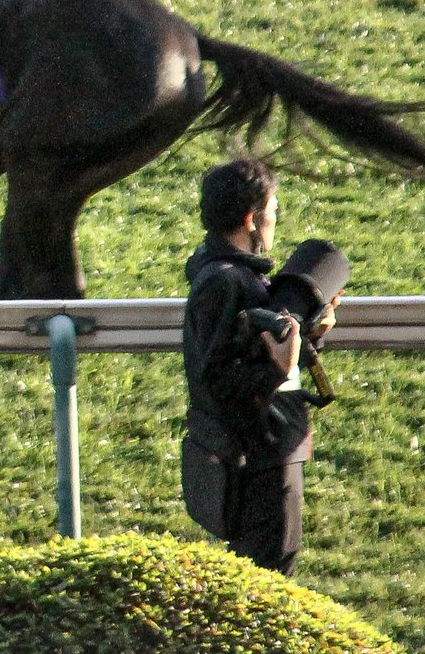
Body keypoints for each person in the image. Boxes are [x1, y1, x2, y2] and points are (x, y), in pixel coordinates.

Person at [180, 158, 341, 576]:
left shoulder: (233, 277)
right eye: (272, 211)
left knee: (267, 568)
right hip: (259, 456)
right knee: (269, 570)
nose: (274, 220)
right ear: (251, 218)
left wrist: (312, 334)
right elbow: (216, 380)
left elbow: (250, 354)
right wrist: (276, 367)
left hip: (267, 450)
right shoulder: (224, 281)